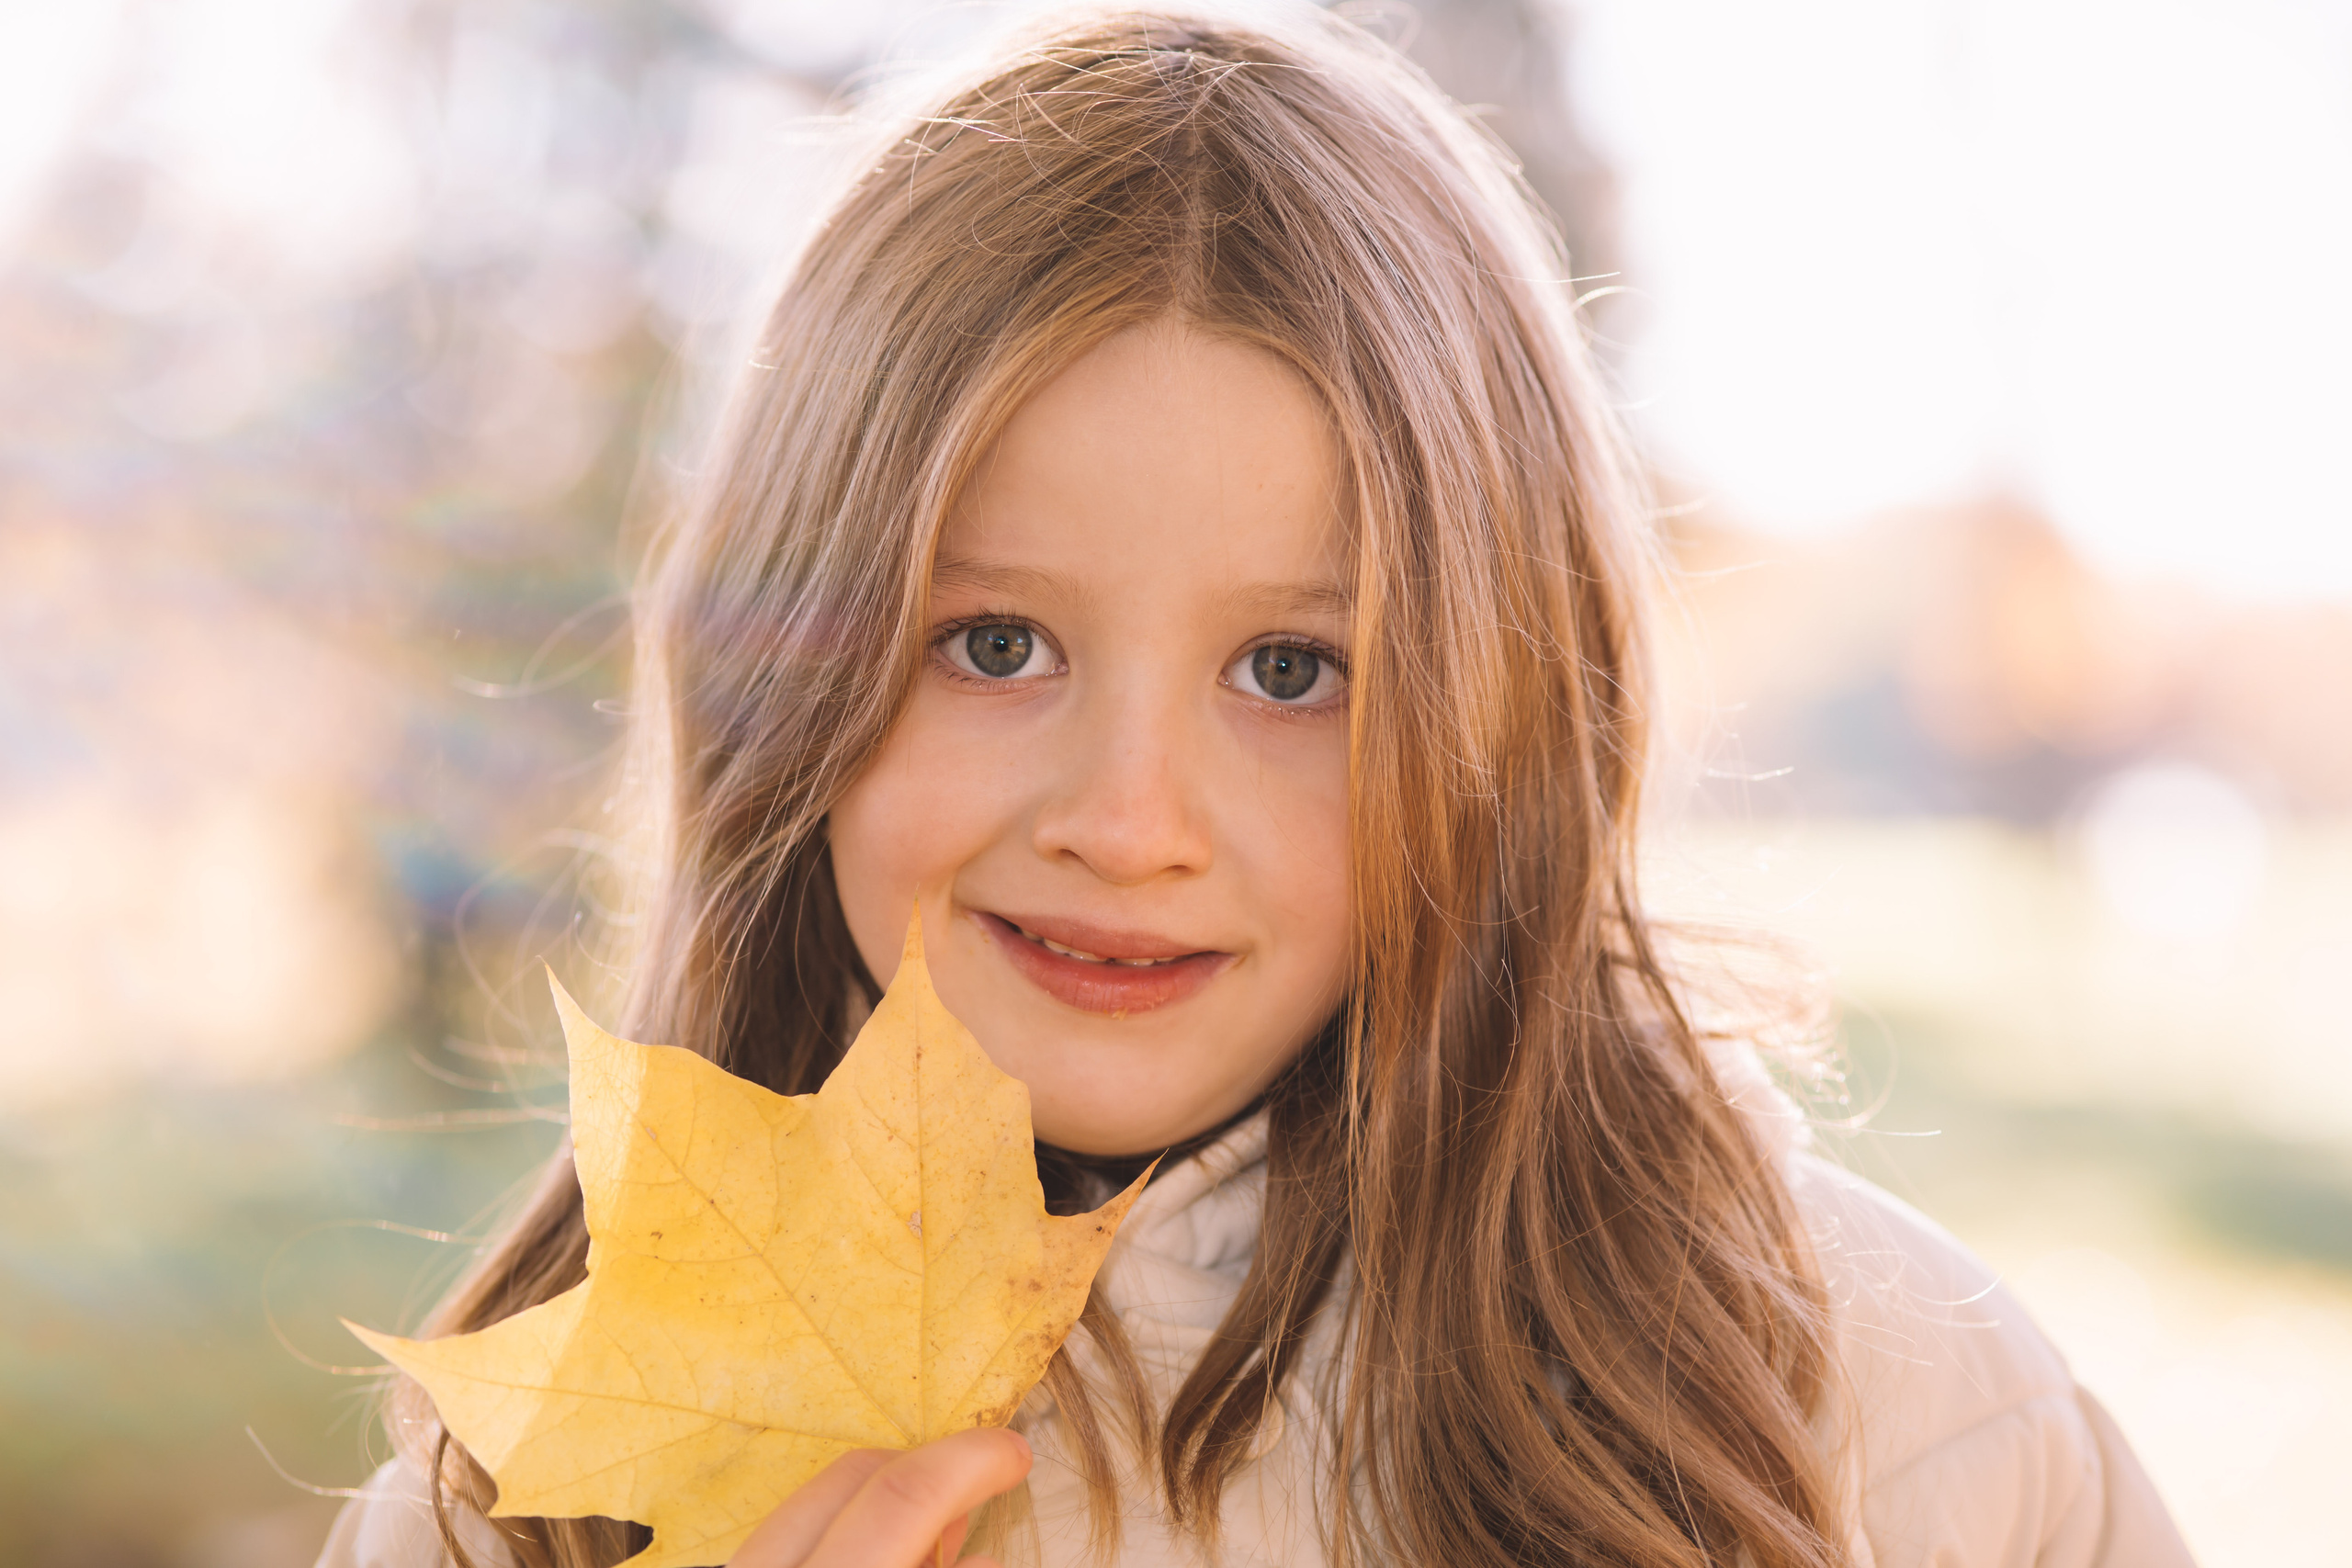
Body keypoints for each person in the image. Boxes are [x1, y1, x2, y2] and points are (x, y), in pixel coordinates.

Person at [317, 7, 2196, 1566]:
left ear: (1504, 731)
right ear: (782, 669)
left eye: (1292, 671)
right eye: (994, 644)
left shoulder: (1857, 1400)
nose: (1130, 820)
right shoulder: (525, 1500)